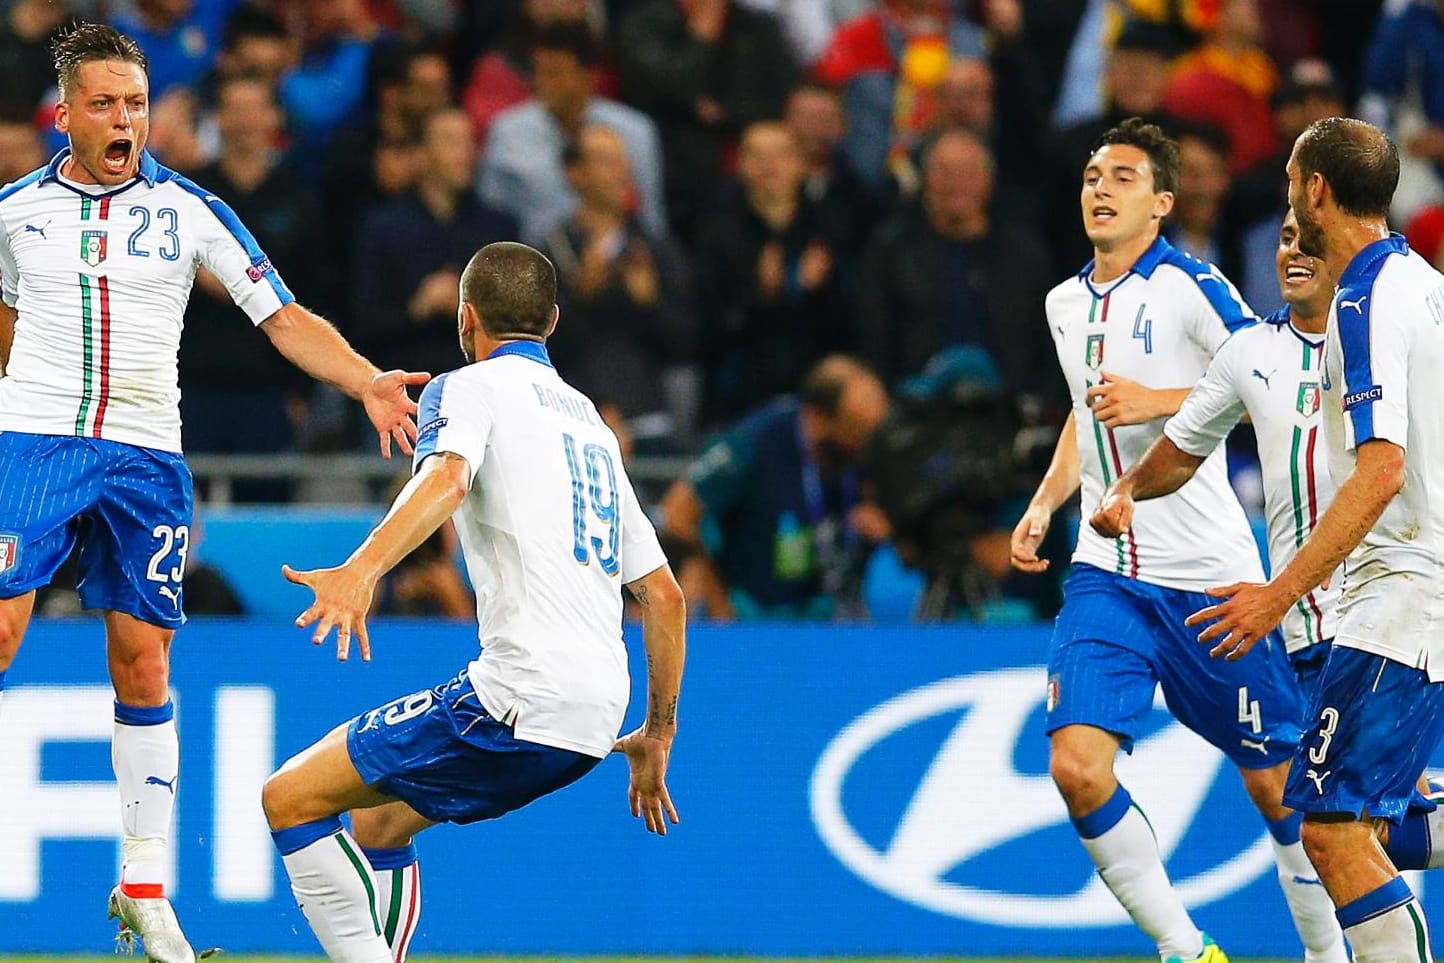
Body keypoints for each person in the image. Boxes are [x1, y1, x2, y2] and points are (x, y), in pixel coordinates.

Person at [0, 23, 425, 963]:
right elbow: (6, 324)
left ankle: (145, 887)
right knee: (2, 627)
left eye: (138, 103)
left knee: (143, 662)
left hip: (149, 455)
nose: (125, 120)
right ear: (63, 113)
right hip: (33, 441)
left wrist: (362, 381)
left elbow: (283, 315)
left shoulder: (192, 211)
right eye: (105, 104)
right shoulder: (13, 214)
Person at [263, 242, 686, 963]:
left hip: (519, 696)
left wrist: (361, 569)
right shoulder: (592, 425)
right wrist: (656, 732)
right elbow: (664, 595)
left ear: (466, 319)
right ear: (551, 320)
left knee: (289, 797)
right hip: (596, 715)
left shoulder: (466, 386)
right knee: (382, 826)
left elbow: (449, 479)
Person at [1010, 118, 1342, 963]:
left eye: (1122, 177)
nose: (1099, 188)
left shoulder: (1193, 285)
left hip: (1211, 578)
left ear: (1161, 202)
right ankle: (1185, 949)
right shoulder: (1062, 302)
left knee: (1280, 790)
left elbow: (1268, 370)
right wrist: (1047, 503)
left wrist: (1158, 398)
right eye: (1091, 174)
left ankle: (1329, 955)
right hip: (1106, 574)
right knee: (1077, 766)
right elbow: (1086, 418)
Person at [1190, 117, 1444, 961]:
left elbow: (1379, 470)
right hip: (1417, 584)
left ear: (1317, 192)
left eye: (1294, 178)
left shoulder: (1366, 301)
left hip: (1400, 591)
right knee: (1365, 826)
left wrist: (1277, 591)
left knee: (1331, 833)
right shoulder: (1423, 281)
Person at [1093, 209, 1339, 688]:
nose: (1294, 250)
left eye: (1311, 239)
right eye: (1287, 237)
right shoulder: (1249, 351)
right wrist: (1127, 488)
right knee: (1365, 765)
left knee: (1333, 764)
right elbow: (1182, 448)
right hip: (1306, 623)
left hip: (1383, 613)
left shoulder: (1392, 339)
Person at [659, 355, 888, 620]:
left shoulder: (852, 455)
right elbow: (677, 512)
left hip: (825, 612)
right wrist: (719, 601)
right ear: (819, 416)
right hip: (755, 616)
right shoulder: (756, 441)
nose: (864, 443)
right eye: (856, 429)